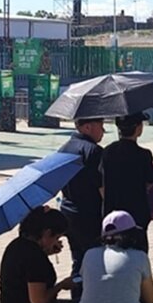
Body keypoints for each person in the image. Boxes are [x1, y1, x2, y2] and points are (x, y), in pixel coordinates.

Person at [0, 206, 74, 303]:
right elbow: (39, 300)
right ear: (47, 233)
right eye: (56, 237)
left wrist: (46, 251)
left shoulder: (18, 244)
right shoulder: (34, 257)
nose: (57, 241)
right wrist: (61, 285)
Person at [58, 118, 105, 282]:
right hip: (90, 214)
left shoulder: (64, 148)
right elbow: (102, 188)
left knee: (78, 258)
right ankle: (91, 299)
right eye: (101, 125)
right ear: (87, 127)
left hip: (68, 211)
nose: (103, 130)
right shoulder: (94, 151)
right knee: (95, 259)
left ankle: (77, 294)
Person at [101, 112, 153, 251]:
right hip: (137, 209)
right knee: (138, 249)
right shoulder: (144, 154)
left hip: (112, 208)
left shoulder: (107, 151)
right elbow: (150, 182)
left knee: (111, 247)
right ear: (138, 128)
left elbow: (100, 182)